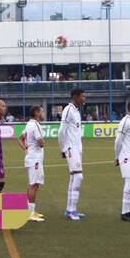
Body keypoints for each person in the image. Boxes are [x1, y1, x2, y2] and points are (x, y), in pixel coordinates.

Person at [58, 88, 86, 220]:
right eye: (82, 96)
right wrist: (63, 149)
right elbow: (61, 131)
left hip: (76, 149)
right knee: (79, 177)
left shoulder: (76, 111)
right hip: (71, 148)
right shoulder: (68, 110)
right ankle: (72, 210)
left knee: (73, 178)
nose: (84, 99)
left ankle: (69, 210)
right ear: (75, 97)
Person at [19, 104, 46, 221]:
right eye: (42, 111)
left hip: (32, 158)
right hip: (35, 159)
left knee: (33, 184)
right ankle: (30, 213)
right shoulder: (35, 125)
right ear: (36, 113)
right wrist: (41, 143)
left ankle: (30, 210)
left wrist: (25, 148)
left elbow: (20, 138)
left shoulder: (29, 124)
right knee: (34, 185)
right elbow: (41, 143)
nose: (43, 113)